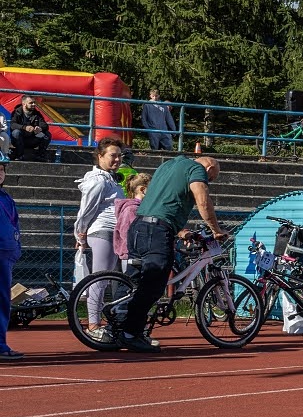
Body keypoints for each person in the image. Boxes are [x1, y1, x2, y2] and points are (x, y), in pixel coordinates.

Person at [122, 155, 225, 353]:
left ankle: (118, 327)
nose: (208, 181)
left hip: (139, 226)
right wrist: (216, 230)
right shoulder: (197, 170)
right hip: (157, 231)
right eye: (211, 179)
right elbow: (203, 201)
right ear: (209, 168)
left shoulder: (168, 165)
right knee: (154, 284)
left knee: (134, 282)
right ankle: (130, 334)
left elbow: (161, 202)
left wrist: (179, 230)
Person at [73, 139, 126, 344]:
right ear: (100, 156)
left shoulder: (110, 179)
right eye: (113, 155)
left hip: (113, 232)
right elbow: (86, 209)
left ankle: (101, 323)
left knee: (105, 280)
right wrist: (80, 234)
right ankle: (93, 326)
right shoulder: (98, 180)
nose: (117, 159)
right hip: (103, 231)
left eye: (119, 155)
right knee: (99, 280)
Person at [0, 162, 18, 359]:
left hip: (6, 254)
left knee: (3, 300)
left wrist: (16, 247)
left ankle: (0, 344)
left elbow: (14, 224)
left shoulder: (6, 198)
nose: (0, 173)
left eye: (1, 170)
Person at [113, 173, 150, 270]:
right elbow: (126, 232)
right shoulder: (132, 209)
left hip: (138, 253)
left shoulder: (141, 208)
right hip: (131, 254)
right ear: (142, 189)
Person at [9, 96, 50, 161]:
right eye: (31, 103)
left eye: (34, 102)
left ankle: (40, 155)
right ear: (24, 104)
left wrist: (40, 128)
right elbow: (13, 125)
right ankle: (19, 155)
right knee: (16, 132)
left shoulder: (37, 113)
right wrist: (24, 127)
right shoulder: (16, 112)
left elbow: (45, 125)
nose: (34, 104)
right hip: (19, 139)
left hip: (32, 139)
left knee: (47, 134)